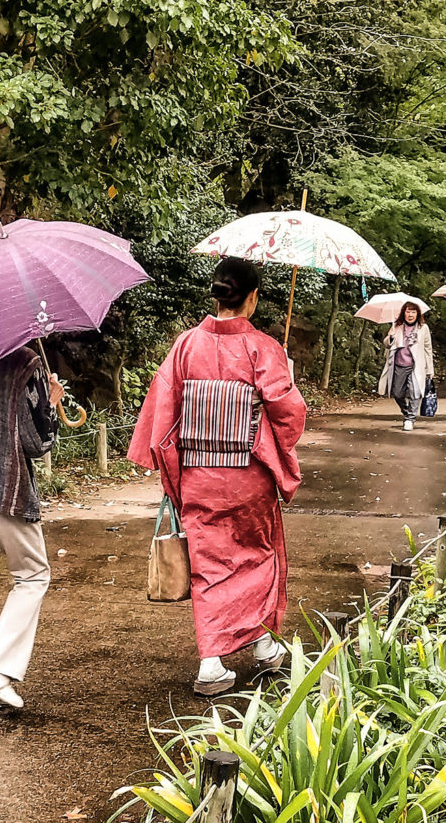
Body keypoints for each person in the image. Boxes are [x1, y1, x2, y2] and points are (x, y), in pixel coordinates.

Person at [128, 258, 308, 696]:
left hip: (198, 475)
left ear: (217, 295)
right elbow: (288, 412)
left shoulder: (186, 345)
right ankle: (264, 646)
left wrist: (174, 475)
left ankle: (213, 663)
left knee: (209, 567)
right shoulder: (263, 347)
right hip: (248, 475)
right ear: (252, 297)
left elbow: (163, 414)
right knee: (258, 556)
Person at [0, 347, 64, 718]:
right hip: (2, 490)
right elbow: (38, 442)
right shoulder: (24, 361)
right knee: (33, 575)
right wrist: (51, 403)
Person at [377, 301, 434, 432]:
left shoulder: (423, 328)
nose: (410, 315)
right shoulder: (396, 326)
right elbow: (387, 344)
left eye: (413, 312)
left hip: (416, 366)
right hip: (399, 365)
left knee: (415, 392)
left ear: (418, 314)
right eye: (408, 311)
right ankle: (407, 411)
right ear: (404, 313)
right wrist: (390, 337)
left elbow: (427, 349)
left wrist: (430, 369)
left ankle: (410, 419)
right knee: (397, 393)